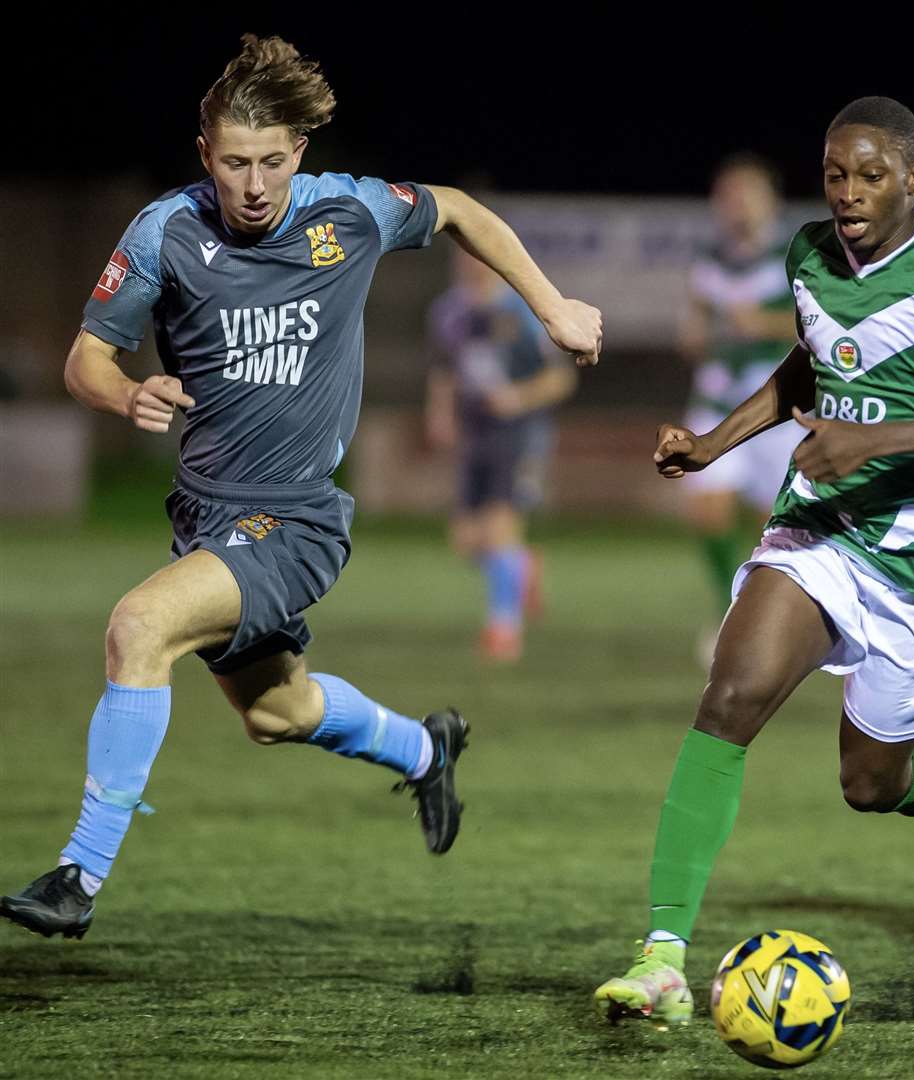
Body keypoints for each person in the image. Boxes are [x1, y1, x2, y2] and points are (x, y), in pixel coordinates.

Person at [0, 34, 602, 939]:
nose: (253, 184)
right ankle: (423, 747)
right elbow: (85, 359)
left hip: (296, 520)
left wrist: (551, 306)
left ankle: (78, 879)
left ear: (300, 154)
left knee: (138, 627)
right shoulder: (164, 232)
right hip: (207, 518)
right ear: (205, 153)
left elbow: (462, 211)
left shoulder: (349, 214)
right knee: (279, 713)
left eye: (272, 162)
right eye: (235, 162)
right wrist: (126, 391)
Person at [593, 96, 914, 1026]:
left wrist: (873, 445)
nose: (847, 193)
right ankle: (664, 958)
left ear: (913, 178)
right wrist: (717, 444)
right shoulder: (807, 253)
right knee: (729, 698)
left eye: (870, 175)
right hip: (821, 528)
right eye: (835, 173)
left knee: (868, 785)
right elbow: (810, 365)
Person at [676, 154, 806, 662]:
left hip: (772, 405)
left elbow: (815, 328)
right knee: (706, 508)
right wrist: (696, 335)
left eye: (745, 193)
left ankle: (763, 613)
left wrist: (764, 325)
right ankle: (726, 608)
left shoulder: (793, 254)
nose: (736, 204)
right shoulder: (710, 259)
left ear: (768, 199)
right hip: (716, 398)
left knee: (769, 521)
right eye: (727, 194)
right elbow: (695, 321)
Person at [425, 248, 578, 662]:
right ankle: (522, 566)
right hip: (475, 434)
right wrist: (440, 413)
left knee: (500, 527)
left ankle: (504, 629)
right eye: (465, 256)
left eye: (480, 255)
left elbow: (561, 378)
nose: (473, 263)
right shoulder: (448, 310)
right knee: (467, 541)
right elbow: (444, 369)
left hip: (520, 433)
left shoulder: (523, 310)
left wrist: (518, 398)